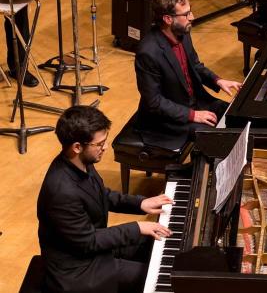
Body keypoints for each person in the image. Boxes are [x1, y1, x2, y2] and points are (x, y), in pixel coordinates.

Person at [37, 106, 173, 293]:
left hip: (91, 248)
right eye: (100, 144)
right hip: (77, 268)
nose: (106, 147)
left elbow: (102, 194)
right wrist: (137, 227)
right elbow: (88, 241)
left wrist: (140, 203)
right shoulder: (61, 192)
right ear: (77, 147)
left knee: (158, 242)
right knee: (154, 277)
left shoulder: (80, 162)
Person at [134, 0, 241, 149]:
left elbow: (195, 65)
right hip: (166, 119)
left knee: (237, 116)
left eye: (190, 11)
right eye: (186, 14)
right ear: (168, 19)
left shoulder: (182, 32)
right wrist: (192, 115)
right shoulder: (148, 53)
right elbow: (154, 102)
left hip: (195, 101)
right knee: (217, 139)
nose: (192, 17)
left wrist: (218, 80)